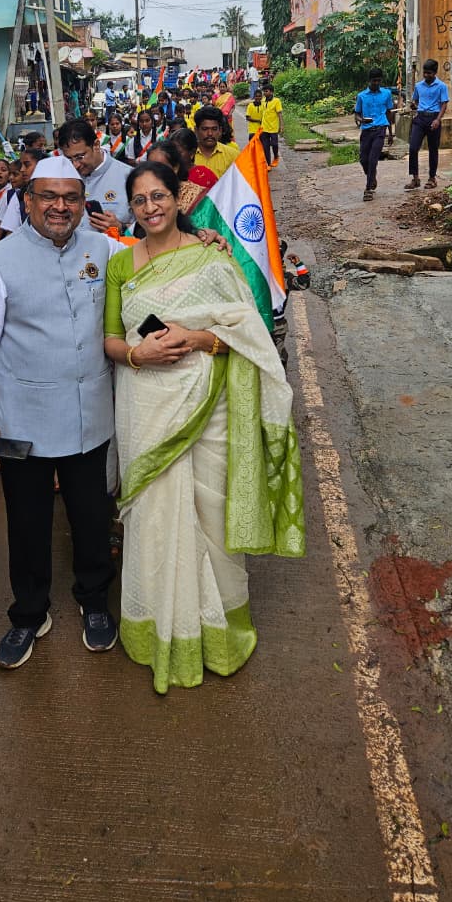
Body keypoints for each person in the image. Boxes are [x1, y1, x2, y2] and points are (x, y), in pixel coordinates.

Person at [102, 164, 304, 694]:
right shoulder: (120, 263)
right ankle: (156, 627)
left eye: (159, 196)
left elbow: (244, 332)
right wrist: (140, 355)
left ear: (178, 199)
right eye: (140, 200)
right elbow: (111, 341)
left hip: (208, 402)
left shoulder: (212, 255)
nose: (151, 208)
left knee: (211, 514)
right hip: (146, 402)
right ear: (131, 208)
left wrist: (194, 339)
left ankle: (217, 631)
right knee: (153, 513)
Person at [0, 156, 119, 668]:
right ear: (28, 201)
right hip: (23, 420)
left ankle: (94, 600)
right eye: (48, 196)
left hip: (90, 415)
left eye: (71, 197)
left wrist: (201, 237)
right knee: (27, 523)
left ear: (82, 202)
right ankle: (29, 613)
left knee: (92, 517)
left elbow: (160, 259)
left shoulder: (106, 249)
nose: (60, 207)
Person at [57, 117, 133, 231]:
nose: (75, 165)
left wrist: (121, 227)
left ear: (96, 145)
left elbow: (147, 228)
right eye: (69, 159)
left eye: (79, 157)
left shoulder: (129, 177)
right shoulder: (62, 177)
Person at [406, 59, 449, 191]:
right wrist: (414, 106)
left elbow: (444, 104)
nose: (426, 75)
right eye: (425, 73)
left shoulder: (441, 86)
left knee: (433, 149)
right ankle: (415, 178)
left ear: (435, 73)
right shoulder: (419, 86)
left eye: (429, 73)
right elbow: (416, 100)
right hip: (420, 118)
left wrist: (438, 120)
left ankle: (432, 178)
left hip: (434, 118)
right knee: (413, 148)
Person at [354, 67, 395, 201]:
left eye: (378, 81)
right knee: (363, 159)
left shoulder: (386, 94)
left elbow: (389, 113)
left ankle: (368, 189)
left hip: (380, 129)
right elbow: (357, 114)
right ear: (369, 81)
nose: (376, 83)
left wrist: (390, 133)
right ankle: (371, 176)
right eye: (374, 81)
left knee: (373, 159)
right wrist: (361, 120)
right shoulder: (362, 96)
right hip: (366, 130)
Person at [0, 147, 47, 236]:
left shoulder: (61, 191)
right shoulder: (19, 196)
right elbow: (11, 231)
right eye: (21, 165)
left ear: (41, 165)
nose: (22, 169)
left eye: (27, 165)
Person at [194, 106, 240, 180]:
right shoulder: (187, 156)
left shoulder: (233, 155)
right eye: (205, 129)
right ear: (196, 130)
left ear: (220, 131)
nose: (210, 133)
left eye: (214, 129)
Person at [259, 84, 284, 168]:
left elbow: (279, 114)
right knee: (265, 146)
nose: (264, 93)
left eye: (266, 91)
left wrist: (281, 125)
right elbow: (262, 114)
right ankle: (268, 164)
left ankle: (276, 157)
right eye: (264, 91)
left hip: (273, 128)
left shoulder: (277, 101)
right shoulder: (263, 101)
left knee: (274, 144)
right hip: (264, 128)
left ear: (271, 92)